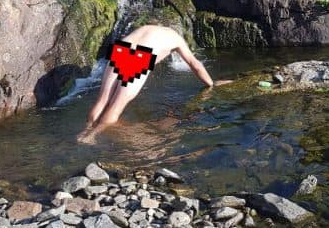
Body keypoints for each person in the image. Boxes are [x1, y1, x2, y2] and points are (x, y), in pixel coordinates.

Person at [78, 25, 230, 143]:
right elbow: (194, 64)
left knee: (102, 100)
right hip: (139, 56)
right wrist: (211, 85)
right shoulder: (177, 38)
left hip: (121, 48)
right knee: (116, 107)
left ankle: (85, 131)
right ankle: (92, 136)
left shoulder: (149, 28)